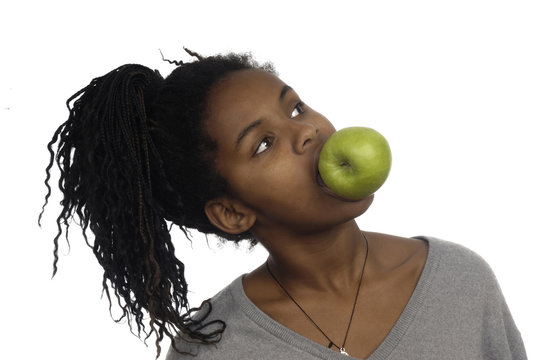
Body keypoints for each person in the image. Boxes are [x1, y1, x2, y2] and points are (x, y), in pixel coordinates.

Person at [41, 49, 527, 360]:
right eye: (263, 144)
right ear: (232, 213)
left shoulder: (461, 281)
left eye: (295, 108)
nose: (307, 130)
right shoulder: (214, 349)